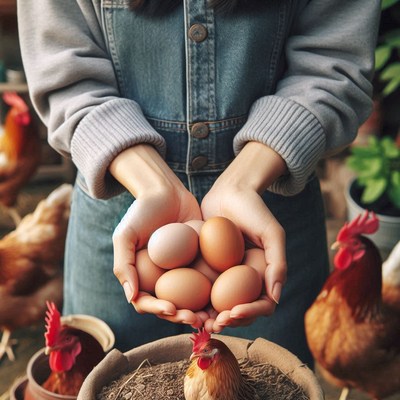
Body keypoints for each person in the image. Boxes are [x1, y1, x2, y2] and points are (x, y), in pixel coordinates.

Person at [17, 0, 381, 366]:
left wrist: (245, 180)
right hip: (121, 209)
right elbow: (63, 69)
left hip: (268, 215)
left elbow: (334, 62)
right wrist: (153, 184)